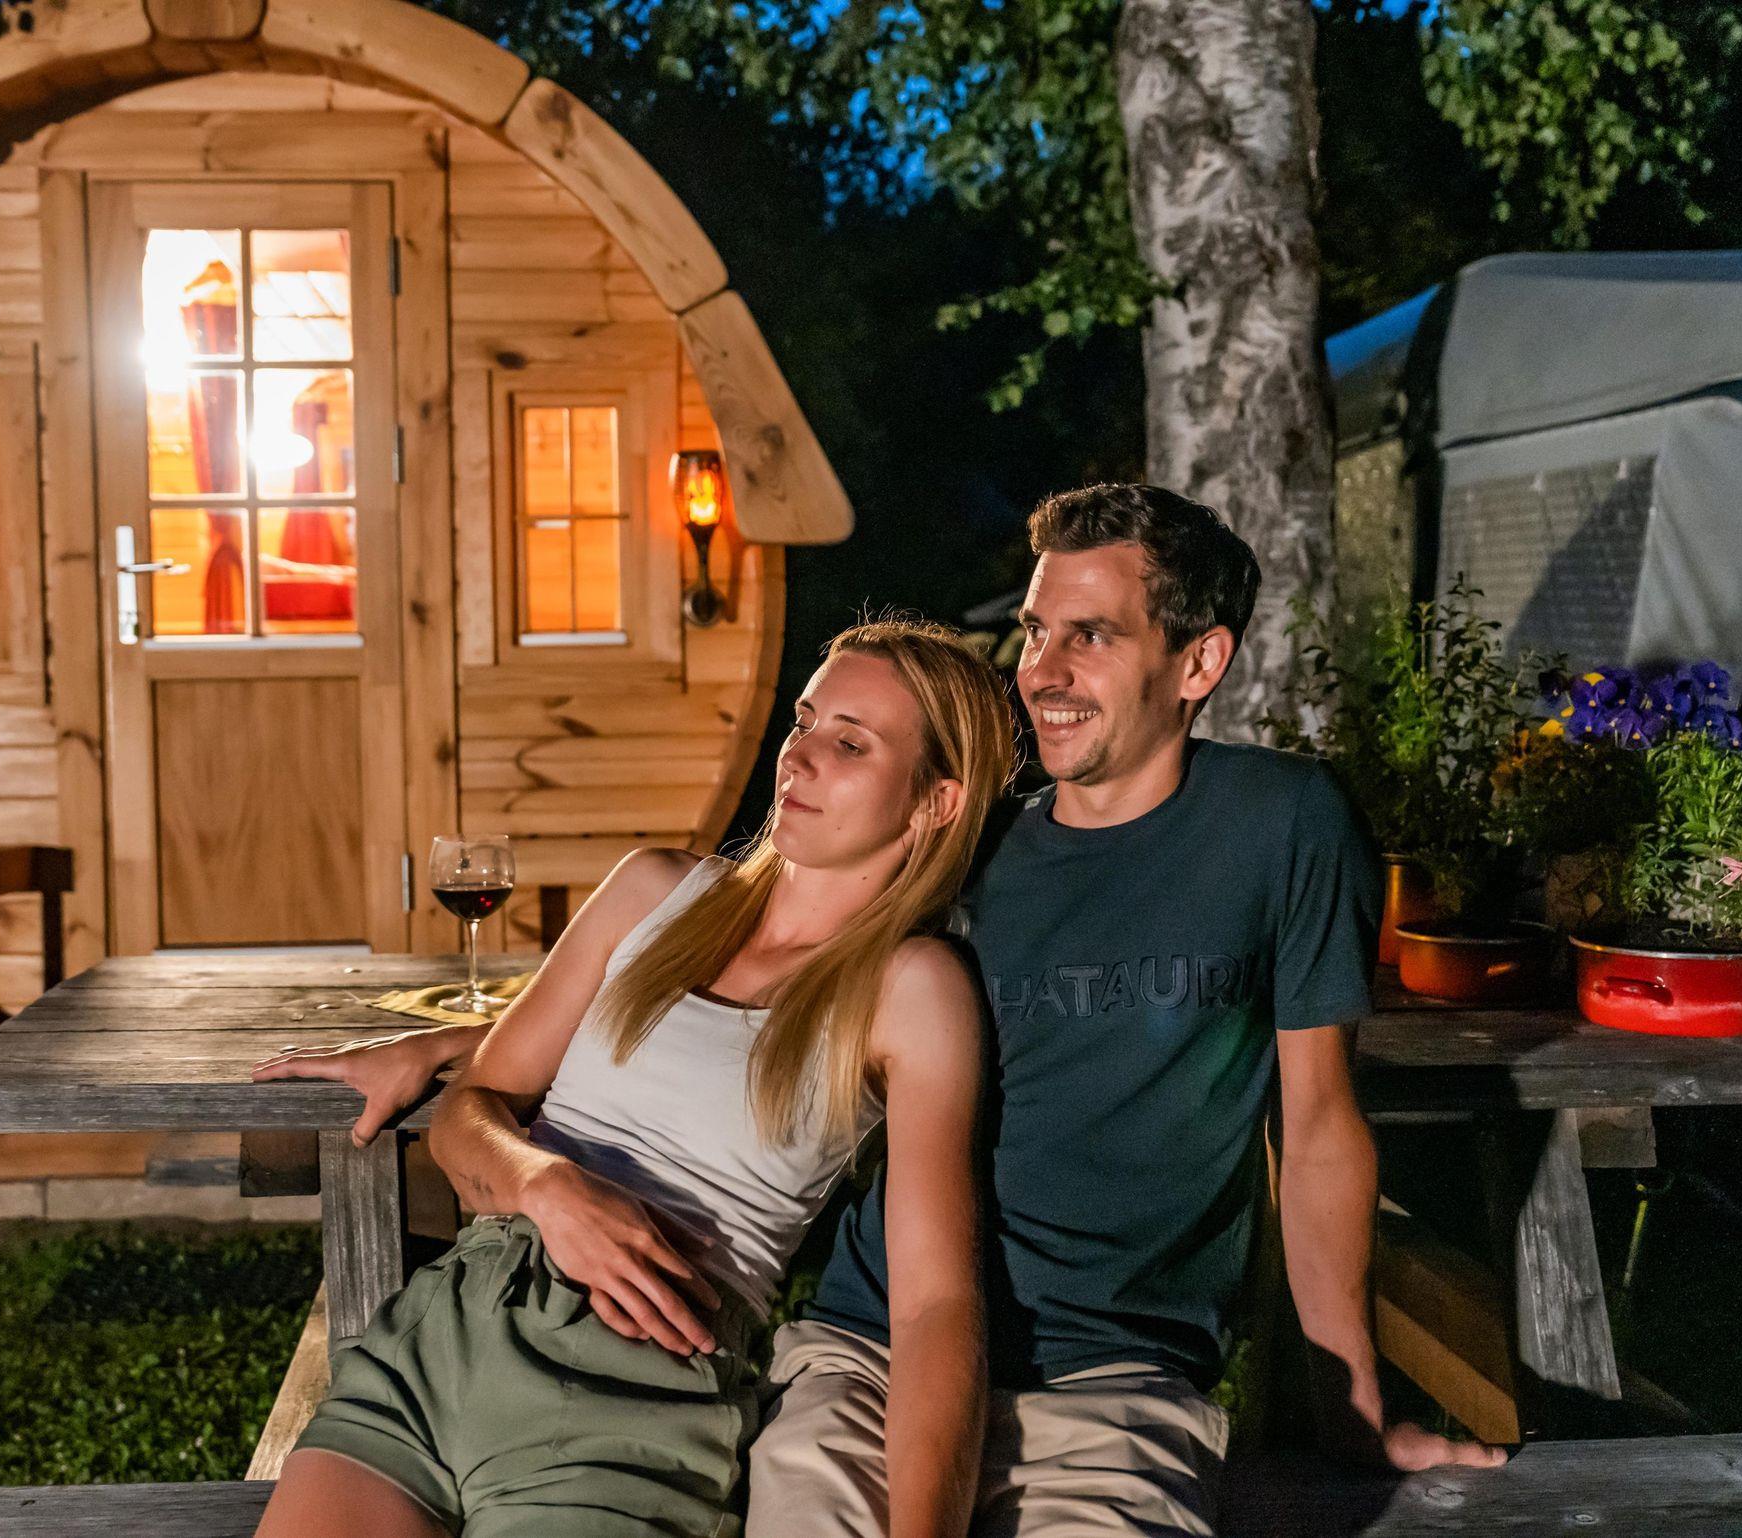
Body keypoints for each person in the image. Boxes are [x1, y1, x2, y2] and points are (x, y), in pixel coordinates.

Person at [745, 485, 1507, 1538]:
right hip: (876, 1350)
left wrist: (1353, 1415)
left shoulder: (1283, 825)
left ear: (1198, 664)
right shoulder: (965, 844)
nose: (1040, 671)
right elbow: (771, 971)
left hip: (1113, 1381)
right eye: (1035, 631)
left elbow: (1320, 1126)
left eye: (1090, 636)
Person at [249, 618, 1017, 1538]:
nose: (800, 755)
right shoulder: (656, 892)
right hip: (447, 1334)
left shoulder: (910, 988)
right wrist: (546, 1184)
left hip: (633, 1384)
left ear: (936, 801)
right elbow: (470, 1114)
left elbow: (936, 1304)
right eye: (804, 721)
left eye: (850, 743)